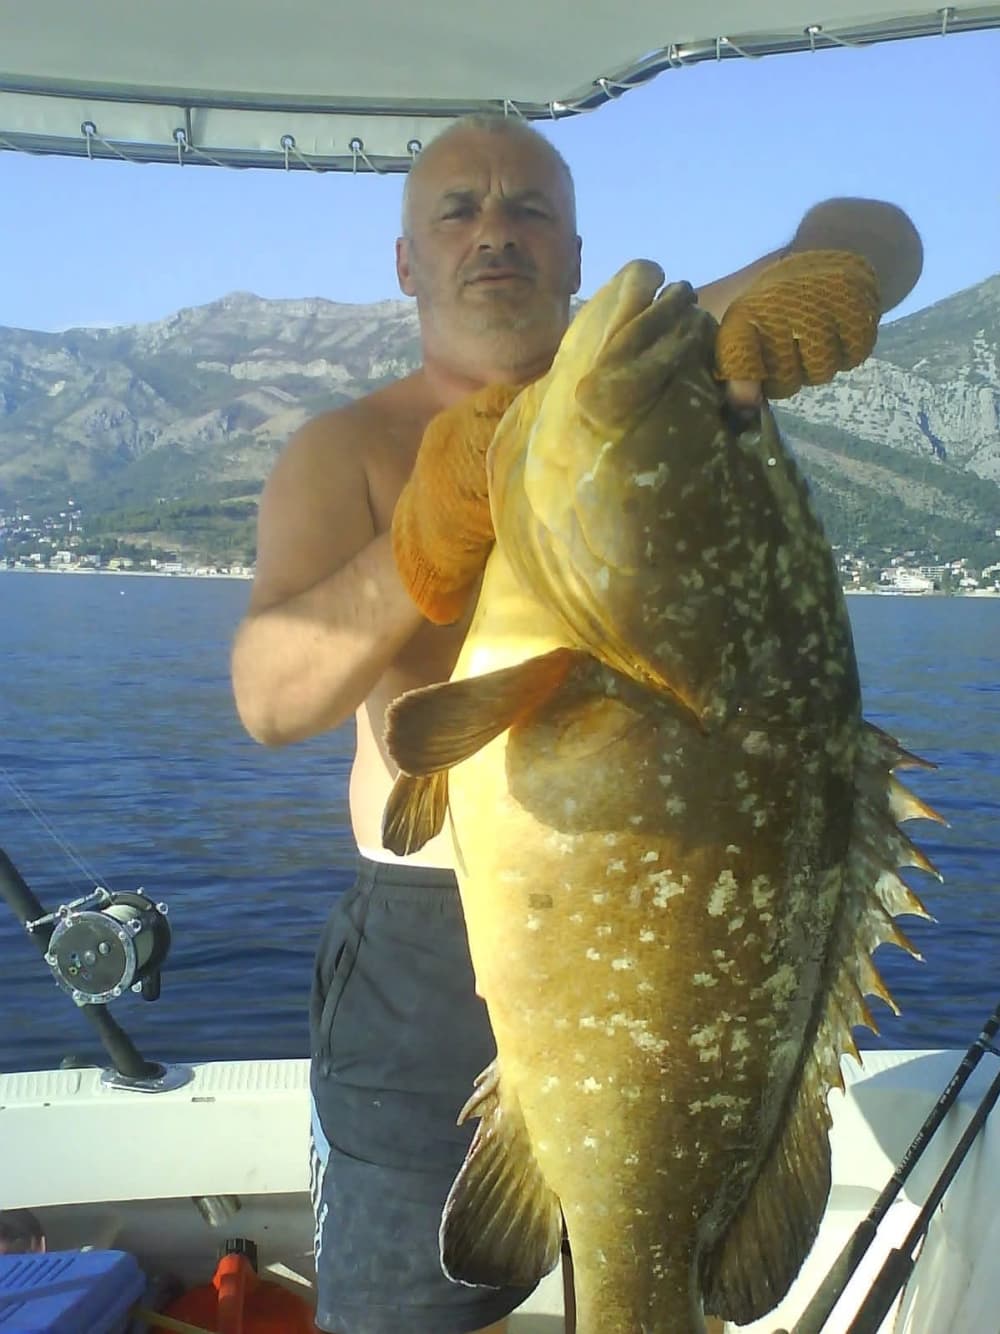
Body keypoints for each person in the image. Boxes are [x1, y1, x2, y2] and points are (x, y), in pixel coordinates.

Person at [230, 113, 921, 1334]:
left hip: (688, 968)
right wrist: (417, 545)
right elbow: (270, 698)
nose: (493, 228)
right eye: (457, 208)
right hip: (424, 955)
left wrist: (842, 265)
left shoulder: (659, 376)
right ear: (408, 260)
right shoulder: (348, 449)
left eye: (528, 208)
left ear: (570, 250)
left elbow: (881, 228)